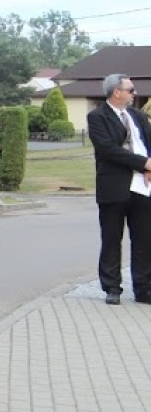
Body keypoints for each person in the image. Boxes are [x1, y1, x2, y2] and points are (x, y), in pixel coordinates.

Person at [87, 73, 151, 305]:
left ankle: (144, 289)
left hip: (142, 186)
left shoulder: (137, 116)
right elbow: (108, 149)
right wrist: (143, 163)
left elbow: (148, 142)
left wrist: (149, 166)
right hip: (114, 185)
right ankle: (112, 287)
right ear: (117, 92)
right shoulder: (97, 117)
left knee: (145, 240)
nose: (134, 94)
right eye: (131, 89)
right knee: (112, 238)